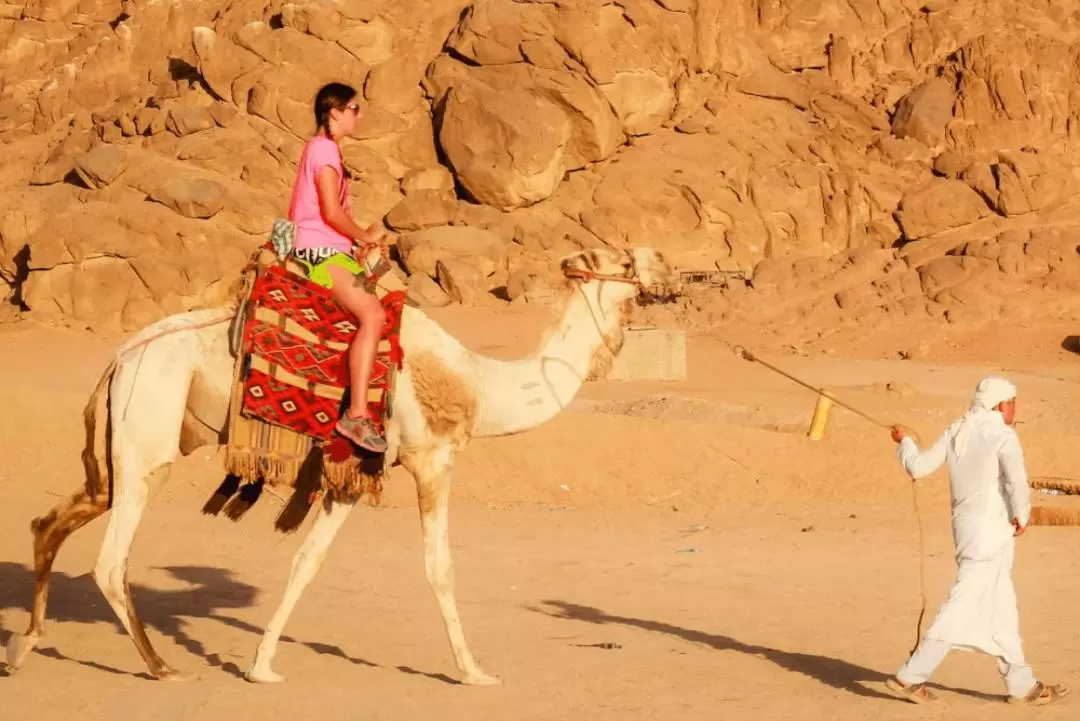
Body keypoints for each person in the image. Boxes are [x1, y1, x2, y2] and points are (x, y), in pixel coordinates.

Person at [885, 376, 1067, 706]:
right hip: (990, 538)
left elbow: (918, 467)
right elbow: (1016, 482)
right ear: (999, 405)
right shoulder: (1002, 435)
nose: (1014, 408)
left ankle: (1021, 684)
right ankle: (910, 675)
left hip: (970, 534)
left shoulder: (957, 429)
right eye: (1011, 402)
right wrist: (1022, 516)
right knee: (962, 604)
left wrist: (905, 442)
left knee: (1003, 609)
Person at [288, 82, 388, 453]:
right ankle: (357, 415)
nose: (358, 115)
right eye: (354, 108)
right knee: (374, 316)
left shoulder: (323, 150)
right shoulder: (325, 149)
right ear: (335, 113)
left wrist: (365, 235)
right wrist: (363, 237)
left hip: (333, 249)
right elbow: (330, 213)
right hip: (319, 252)